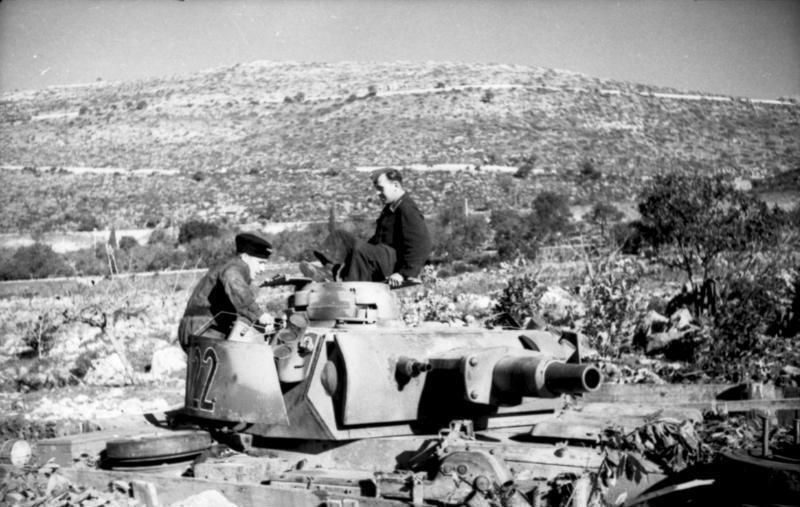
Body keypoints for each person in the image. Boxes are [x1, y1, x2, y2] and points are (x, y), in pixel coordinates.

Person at [305, 168, 432, 287]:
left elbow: (422, 243)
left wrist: (404, 273)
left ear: (396, 186)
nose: (378, 193)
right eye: (376, 189)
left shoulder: (406, 208)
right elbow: (378, 239)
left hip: (392, 262)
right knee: (341, 236)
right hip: (381, 256)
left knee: (359, 248)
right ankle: (329, 270)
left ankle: (348, 282)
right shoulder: (390, 209)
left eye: (381, 188)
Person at [178, 232, 274, 350]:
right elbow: (234, 282)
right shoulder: (237, 267)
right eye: (260, 263)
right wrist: (259, 314)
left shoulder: (232, 265)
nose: (262, 269)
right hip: (203, 328)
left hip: (202, 327)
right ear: (245, 257)